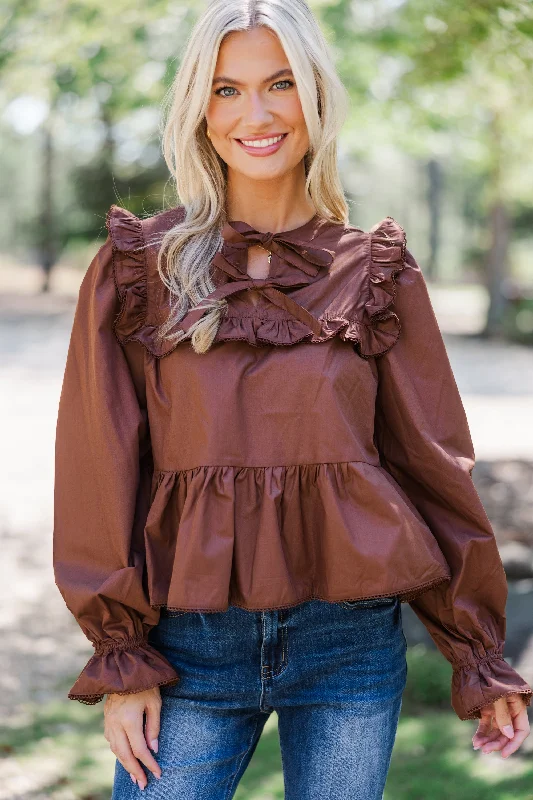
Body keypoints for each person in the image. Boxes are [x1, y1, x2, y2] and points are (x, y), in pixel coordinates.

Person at [53, 1, 531, 797]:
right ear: (199, 111)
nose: (258, 113)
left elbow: (431, 466)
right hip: (186, 648)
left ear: (315, 97)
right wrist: (121, 655)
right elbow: (98, 469)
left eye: (279, 83)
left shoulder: (376, 271)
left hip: (349, 644)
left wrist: (476, 656)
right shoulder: (138, 271)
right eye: (227, 89)